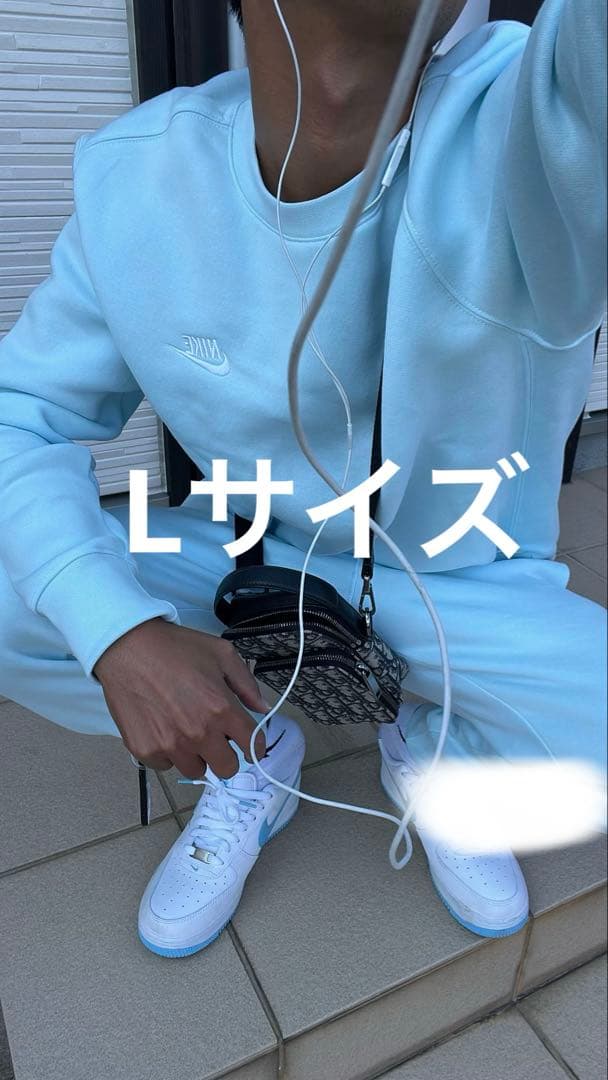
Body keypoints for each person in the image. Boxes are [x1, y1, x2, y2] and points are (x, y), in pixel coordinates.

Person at [0, 0, 605, 957]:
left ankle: (440, 751)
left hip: (461, 580)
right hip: (251, 556)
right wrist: (118, 633)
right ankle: (249, 750)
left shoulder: (539, 120)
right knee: (21, 591)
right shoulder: (141, 178)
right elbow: (20, 414)